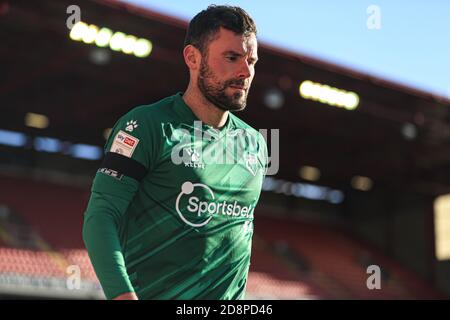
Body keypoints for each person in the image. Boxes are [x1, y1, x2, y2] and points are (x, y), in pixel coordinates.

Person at [82, 4, 268, 300]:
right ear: (193, 58)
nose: (246, 71)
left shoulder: (255, 143)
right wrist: (121, 295)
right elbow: (101, 215)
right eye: (232, 57)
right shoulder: (146, 125)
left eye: (252, 60)